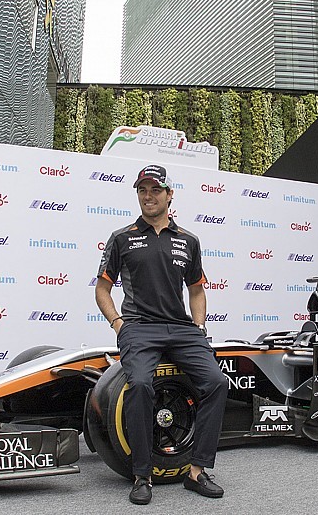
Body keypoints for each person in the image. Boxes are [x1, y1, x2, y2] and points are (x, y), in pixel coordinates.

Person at [95, 164, 229, 505]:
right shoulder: (122, 237)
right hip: (138, 328)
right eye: (142, 190)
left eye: (155, 190)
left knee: (217, 382)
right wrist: (117, 323)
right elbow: (102, 289)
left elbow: (197, 290)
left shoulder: (189, 240)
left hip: (182, 329)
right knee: (139, 385)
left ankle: (197, 472)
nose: (148, 196)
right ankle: (142, 475)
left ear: (170, 195)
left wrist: (199, 328)